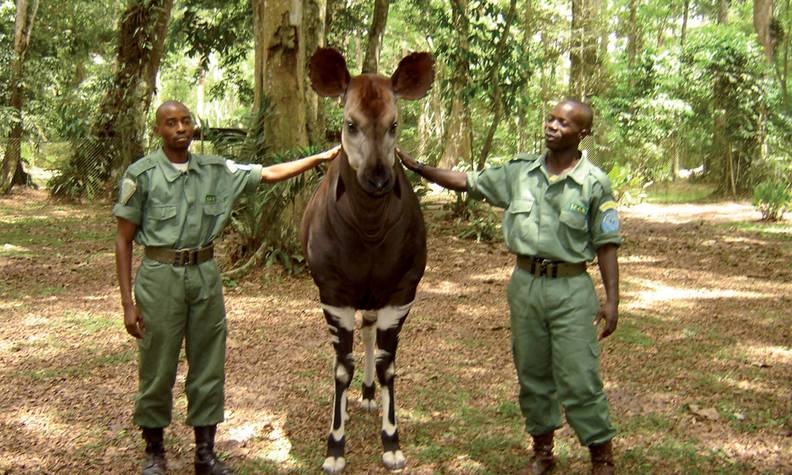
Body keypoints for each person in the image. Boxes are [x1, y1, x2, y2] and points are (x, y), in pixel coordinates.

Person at [113, 100, 340, 475]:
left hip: (204, 275)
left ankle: (205, 453)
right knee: (157, 364)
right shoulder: (142, 175)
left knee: (208, 364)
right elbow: (123, 240)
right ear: (159, 130)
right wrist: (127, 303)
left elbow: (267, 174)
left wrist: (318, 158)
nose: (181, 128)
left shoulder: (215, 170)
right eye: (171, 123)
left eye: (186, 121)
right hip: (160, 276)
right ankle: (154, 453)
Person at [397, 99, 621, 475]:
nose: (552, 126)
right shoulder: (520, 173)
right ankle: (543, 449)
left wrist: (613, 299)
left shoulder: (594, 183)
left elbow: (607, 243)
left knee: (579, 374)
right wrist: (418, 167)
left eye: (563, 123)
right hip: (525, 285)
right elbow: (468, 181)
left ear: (582, 134)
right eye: (550, 118)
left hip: (571, 288)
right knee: (532, 371)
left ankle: (601, 454)